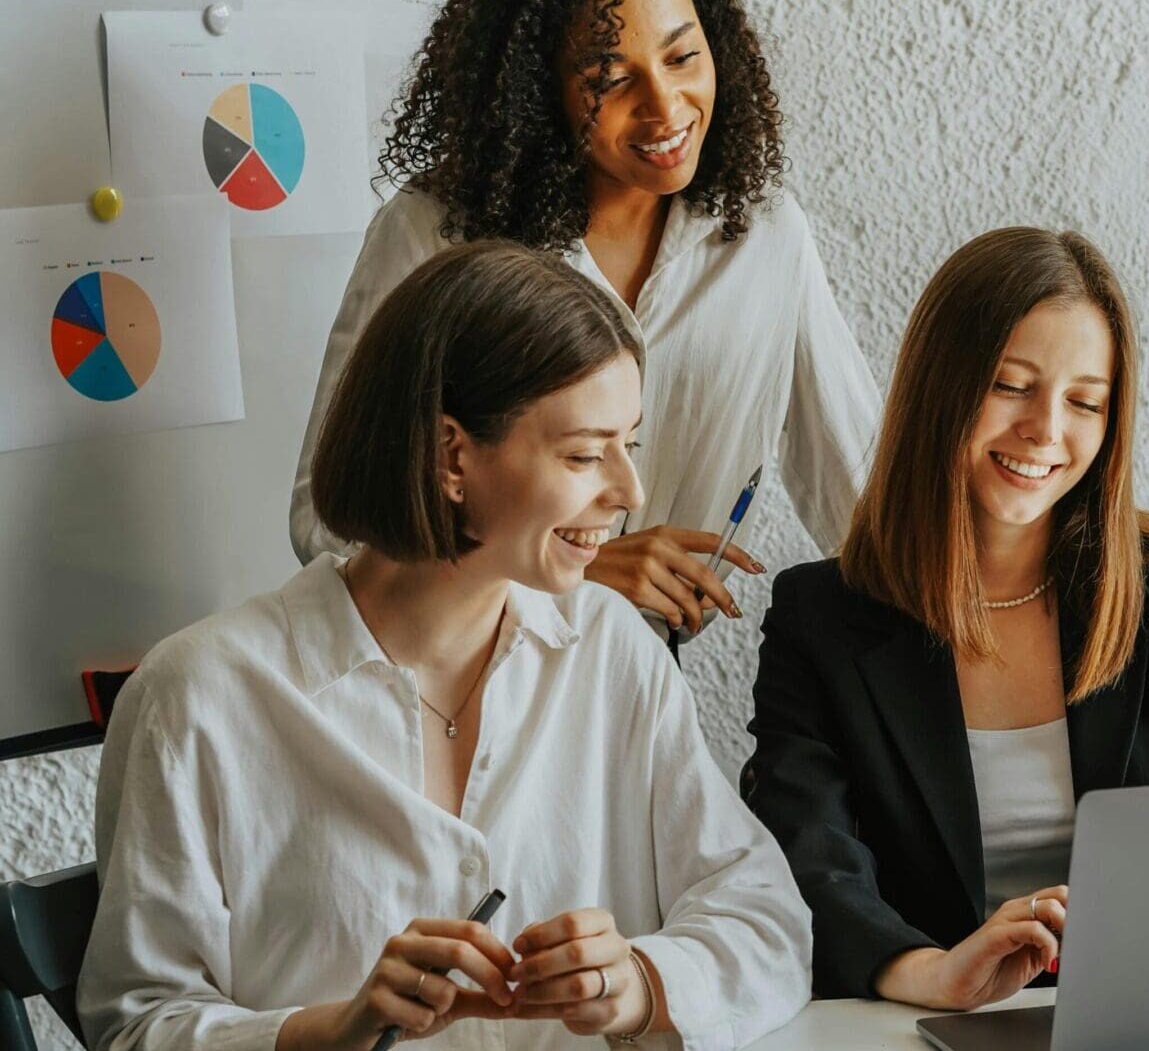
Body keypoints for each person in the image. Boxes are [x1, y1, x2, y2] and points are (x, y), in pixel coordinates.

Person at [79, 241, 812, 1051]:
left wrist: (636, 984)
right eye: (583, 454)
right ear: (450, 454)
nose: (629, 493)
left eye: (627, 445)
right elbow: (138, 1023)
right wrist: (333, 1030)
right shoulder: (197, 697)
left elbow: (766, 920)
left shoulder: (611, 652)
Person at [290, 0, 879, 642]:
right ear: (539, 92)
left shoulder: (764, 238)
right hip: (456, 663)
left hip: (642, 674)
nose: (666, 108)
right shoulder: (433, 235)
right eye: (610, 78)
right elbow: (331, 525)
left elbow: (865, 500)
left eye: (682, 57)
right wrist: (573, 563)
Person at [741, 227, 1149, 1008]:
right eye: (1010, 385)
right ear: (941, 385)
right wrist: (931, 972)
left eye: (1084, 401)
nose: (1046, 430)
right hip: (929, 1023)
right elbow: (807, 858)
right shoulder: (820, 617)